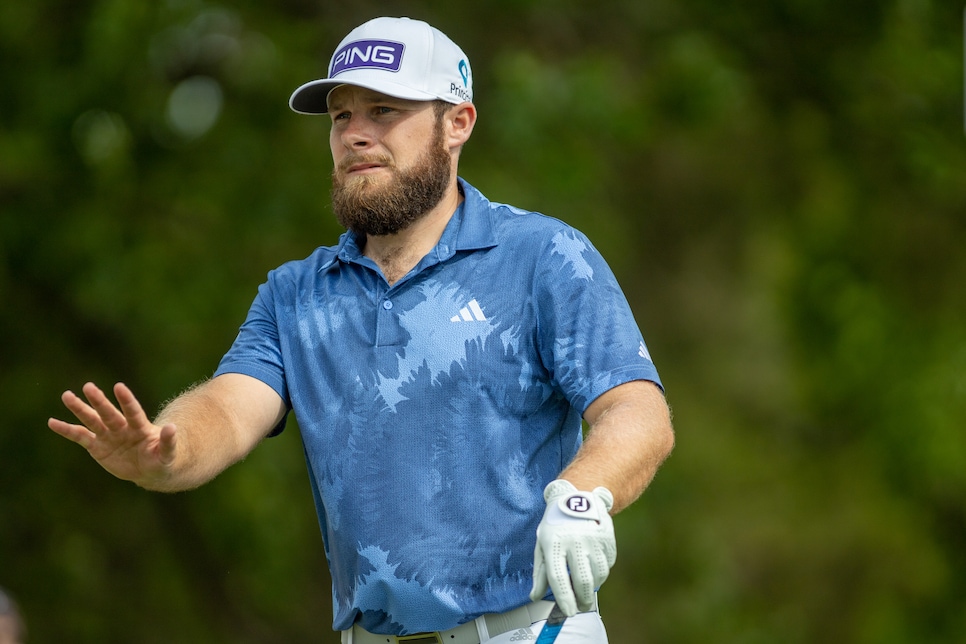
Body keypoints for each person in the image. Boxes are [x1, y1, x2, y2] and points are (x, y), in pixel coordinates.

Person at [48, 16, 674, 644]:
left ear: (457, 123)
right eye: (342, 116)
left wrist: (582, 495)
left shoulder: (541, 257)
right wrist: (167, 451)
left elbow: (636, 409)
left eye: (384, 111)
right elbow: (231, 409)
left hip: (528, 632)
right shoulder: (296, 293)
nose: (356, 135)